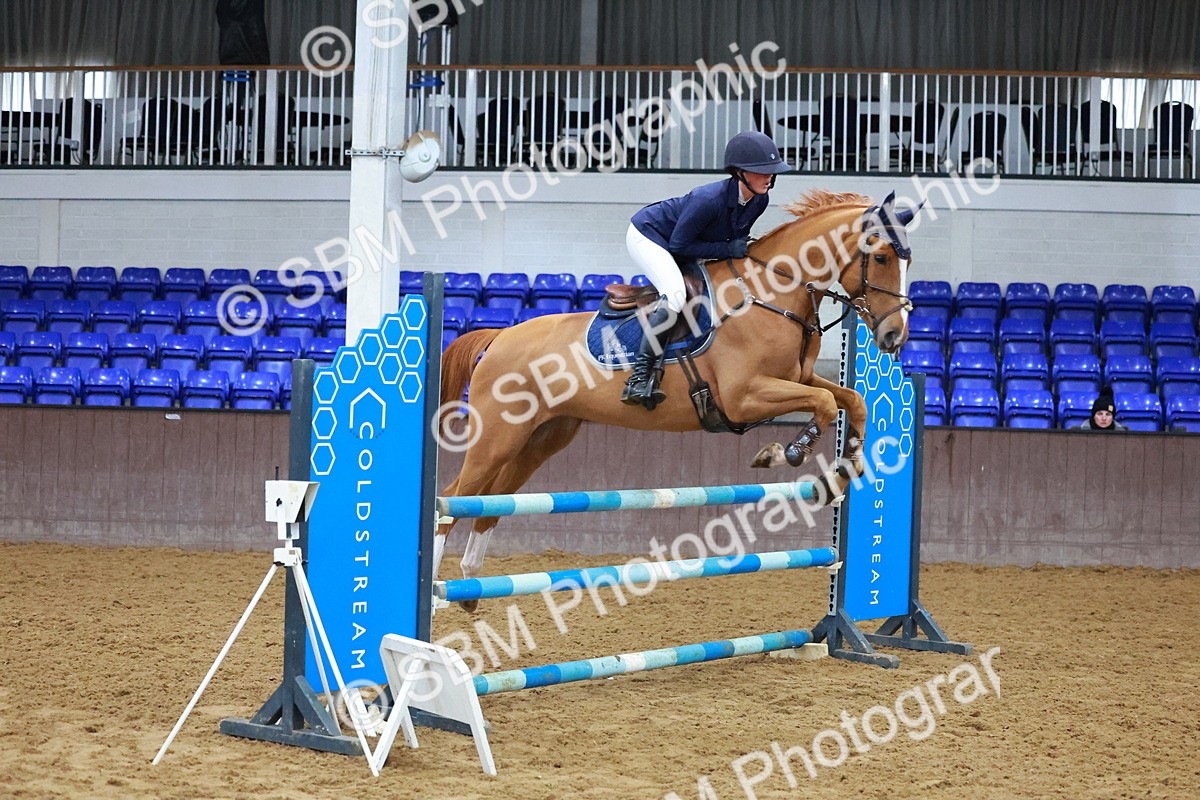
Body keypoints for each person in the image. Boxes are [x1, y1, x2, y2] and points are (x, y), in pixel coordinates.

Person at [621, 130, 792, 408]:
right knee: (676, 295)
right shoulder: (708, 199)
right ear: (738, 173)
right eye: (761, 171)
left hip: (686, 242)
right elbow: (679, 245)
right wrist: (727, 250)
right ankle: (639, 378)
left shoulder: (759, 199)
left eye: (772, 171)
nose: (769, 177)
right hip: (649, 236)